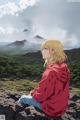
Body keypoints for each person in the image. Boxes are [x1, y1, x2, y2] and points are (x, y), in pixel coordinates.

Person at [16, 39, 71, 117]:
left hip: (51, 109)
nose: (42, 50)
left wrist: (33, 93)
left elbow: (41, 96)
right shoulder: (64, 68)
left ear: (53, 51)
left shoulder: (50, 72)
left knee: (23, 98)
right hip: (61, 108)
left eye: (45, 48)